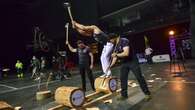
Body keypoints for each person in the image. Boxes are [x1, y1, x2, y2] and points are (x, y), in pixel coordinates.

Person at [108, 34, 151, 101]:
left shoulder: (124, 41)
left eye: (111, 40)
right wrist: (110, 66)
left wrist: (116, 54)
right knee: (123, 79)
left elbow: (126, 53)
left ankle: (147, 94)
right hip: (124, 63)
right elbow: (114, 57)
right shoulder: (115, 46)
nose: (110, 41)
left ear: (114, 38)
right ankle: (124, 95)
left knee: (139, 77)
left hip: (132, 61)